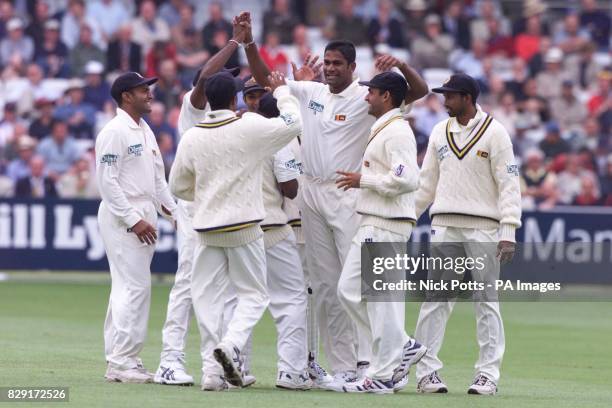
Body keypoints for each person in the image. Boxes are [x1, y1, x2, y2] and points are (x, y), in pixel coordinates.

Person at [244, 11, 428, 389]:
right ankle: (345, 365)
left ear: (352, 67)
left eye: (336, 64)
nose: (328, 69)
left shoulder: (368, 97)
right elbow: (267, 80)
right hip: (311, 191)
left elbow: (420, 93)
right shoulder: (311, 91)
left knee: (357, 283)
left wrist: (402, 65)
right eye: (326, 62)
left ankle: (373, 362)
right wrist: (248, 43)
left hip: (348, 192)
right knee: (327, 287)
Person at [168, 69, 301, 390]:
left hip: (206, 228)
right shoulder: (249, 125)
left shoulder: (192, 135)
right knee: (254, 296)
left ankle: (212, 374)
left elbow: (178, 186)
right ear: (234, 99)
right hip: (244, 226)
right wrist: (283, 93)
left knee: (207, 299)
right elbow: (294, 124)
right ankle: (231, 345)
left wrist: (209, 193)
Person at [153, 18, 252, 387]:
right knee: (186, 285)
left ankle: (219, 365)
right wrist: (234, 42)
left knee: (223, 291)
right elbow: (202, 81)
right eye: (226, 77)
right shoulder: (192, 107)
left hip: (222, 210)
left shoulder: (235, 119)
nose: (232, 84)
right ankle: (169, 360)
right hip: (195, 209)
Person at [413, 73, 522, 395]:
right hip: (445, 224)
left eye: (450, 96)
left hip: (484, 228)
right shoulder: (439, 131)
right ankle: (426, 372)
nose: (444, 101)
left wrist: (509, 229)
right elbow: (426, 182)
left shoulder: (496, 133)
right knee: (436, 300)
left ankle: (487, 374)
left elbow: (509, 184)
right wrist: (405, 217)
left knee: (486, 301)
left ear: (467, 98)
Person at [335, 71, 426, 394]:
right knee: (348, 291)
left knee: (381, 300)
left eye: (371, 92)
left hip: (386, 223)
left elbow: (408, 179)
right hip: (374, 221)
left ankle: (384, 374)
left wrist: (365, 181)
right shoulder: (386, 127)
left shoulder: (397, 131)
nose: (365, 97)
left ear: (386, 96)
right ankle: (402, 346)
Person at [97, 72, 177, 383]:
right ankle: (121, 362)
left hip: (143, 211)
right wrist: (133, 219)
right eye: (144, 90)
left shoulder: (144, 130)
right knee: (135, 287)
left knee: (125, 287)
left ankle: (121, 357)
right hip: (123, 216)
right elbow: (107, 182)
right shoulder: (114, 131)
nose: (150, 94)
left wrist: (176, 216)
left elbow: (158, 182)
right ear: (126, 96)